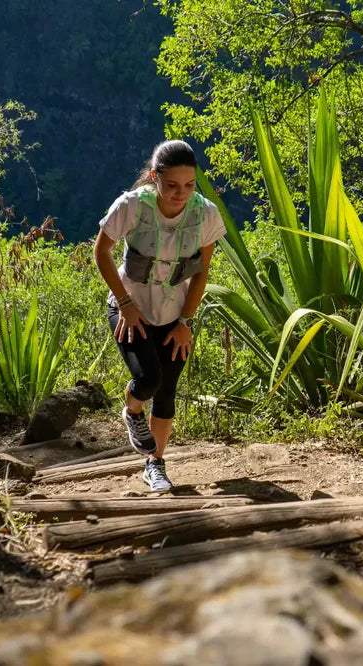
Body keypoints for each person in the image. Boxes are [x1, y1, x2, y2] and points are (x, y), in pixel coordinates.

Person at [93, 140, 226, 491]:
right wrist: (125, 303)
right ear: (154, 178)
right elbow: (102, 252)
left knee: (166, 390)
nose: (181, 193)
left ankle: (155, 464)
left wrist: (185, 322)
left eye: (189, 185)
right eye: (171, 185)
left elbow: (202, 272)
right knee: (148, 379)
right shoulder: (132, 206)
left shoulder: (205, 214)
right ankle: (132, 410)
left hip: (173, 314)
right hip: (130, 309)